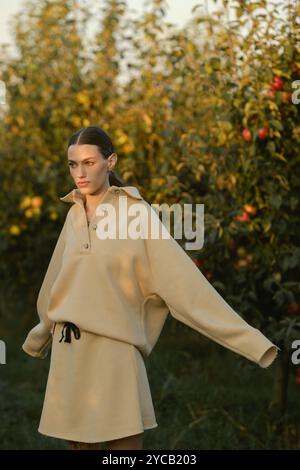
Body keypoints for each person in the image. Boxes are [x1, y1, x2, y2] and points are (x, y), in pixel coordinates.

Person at [22, 126, 279, 450]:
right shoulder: (73, 216)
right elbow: (56, 282)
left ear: (110, 161)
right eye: (73, 164)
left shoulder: (135, 215)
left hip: (116, 350)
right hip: (69, 351)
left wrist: (253, 343)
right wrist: (40, 336)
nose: (80, 172)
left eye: (89, 162)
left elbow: (185, 284)